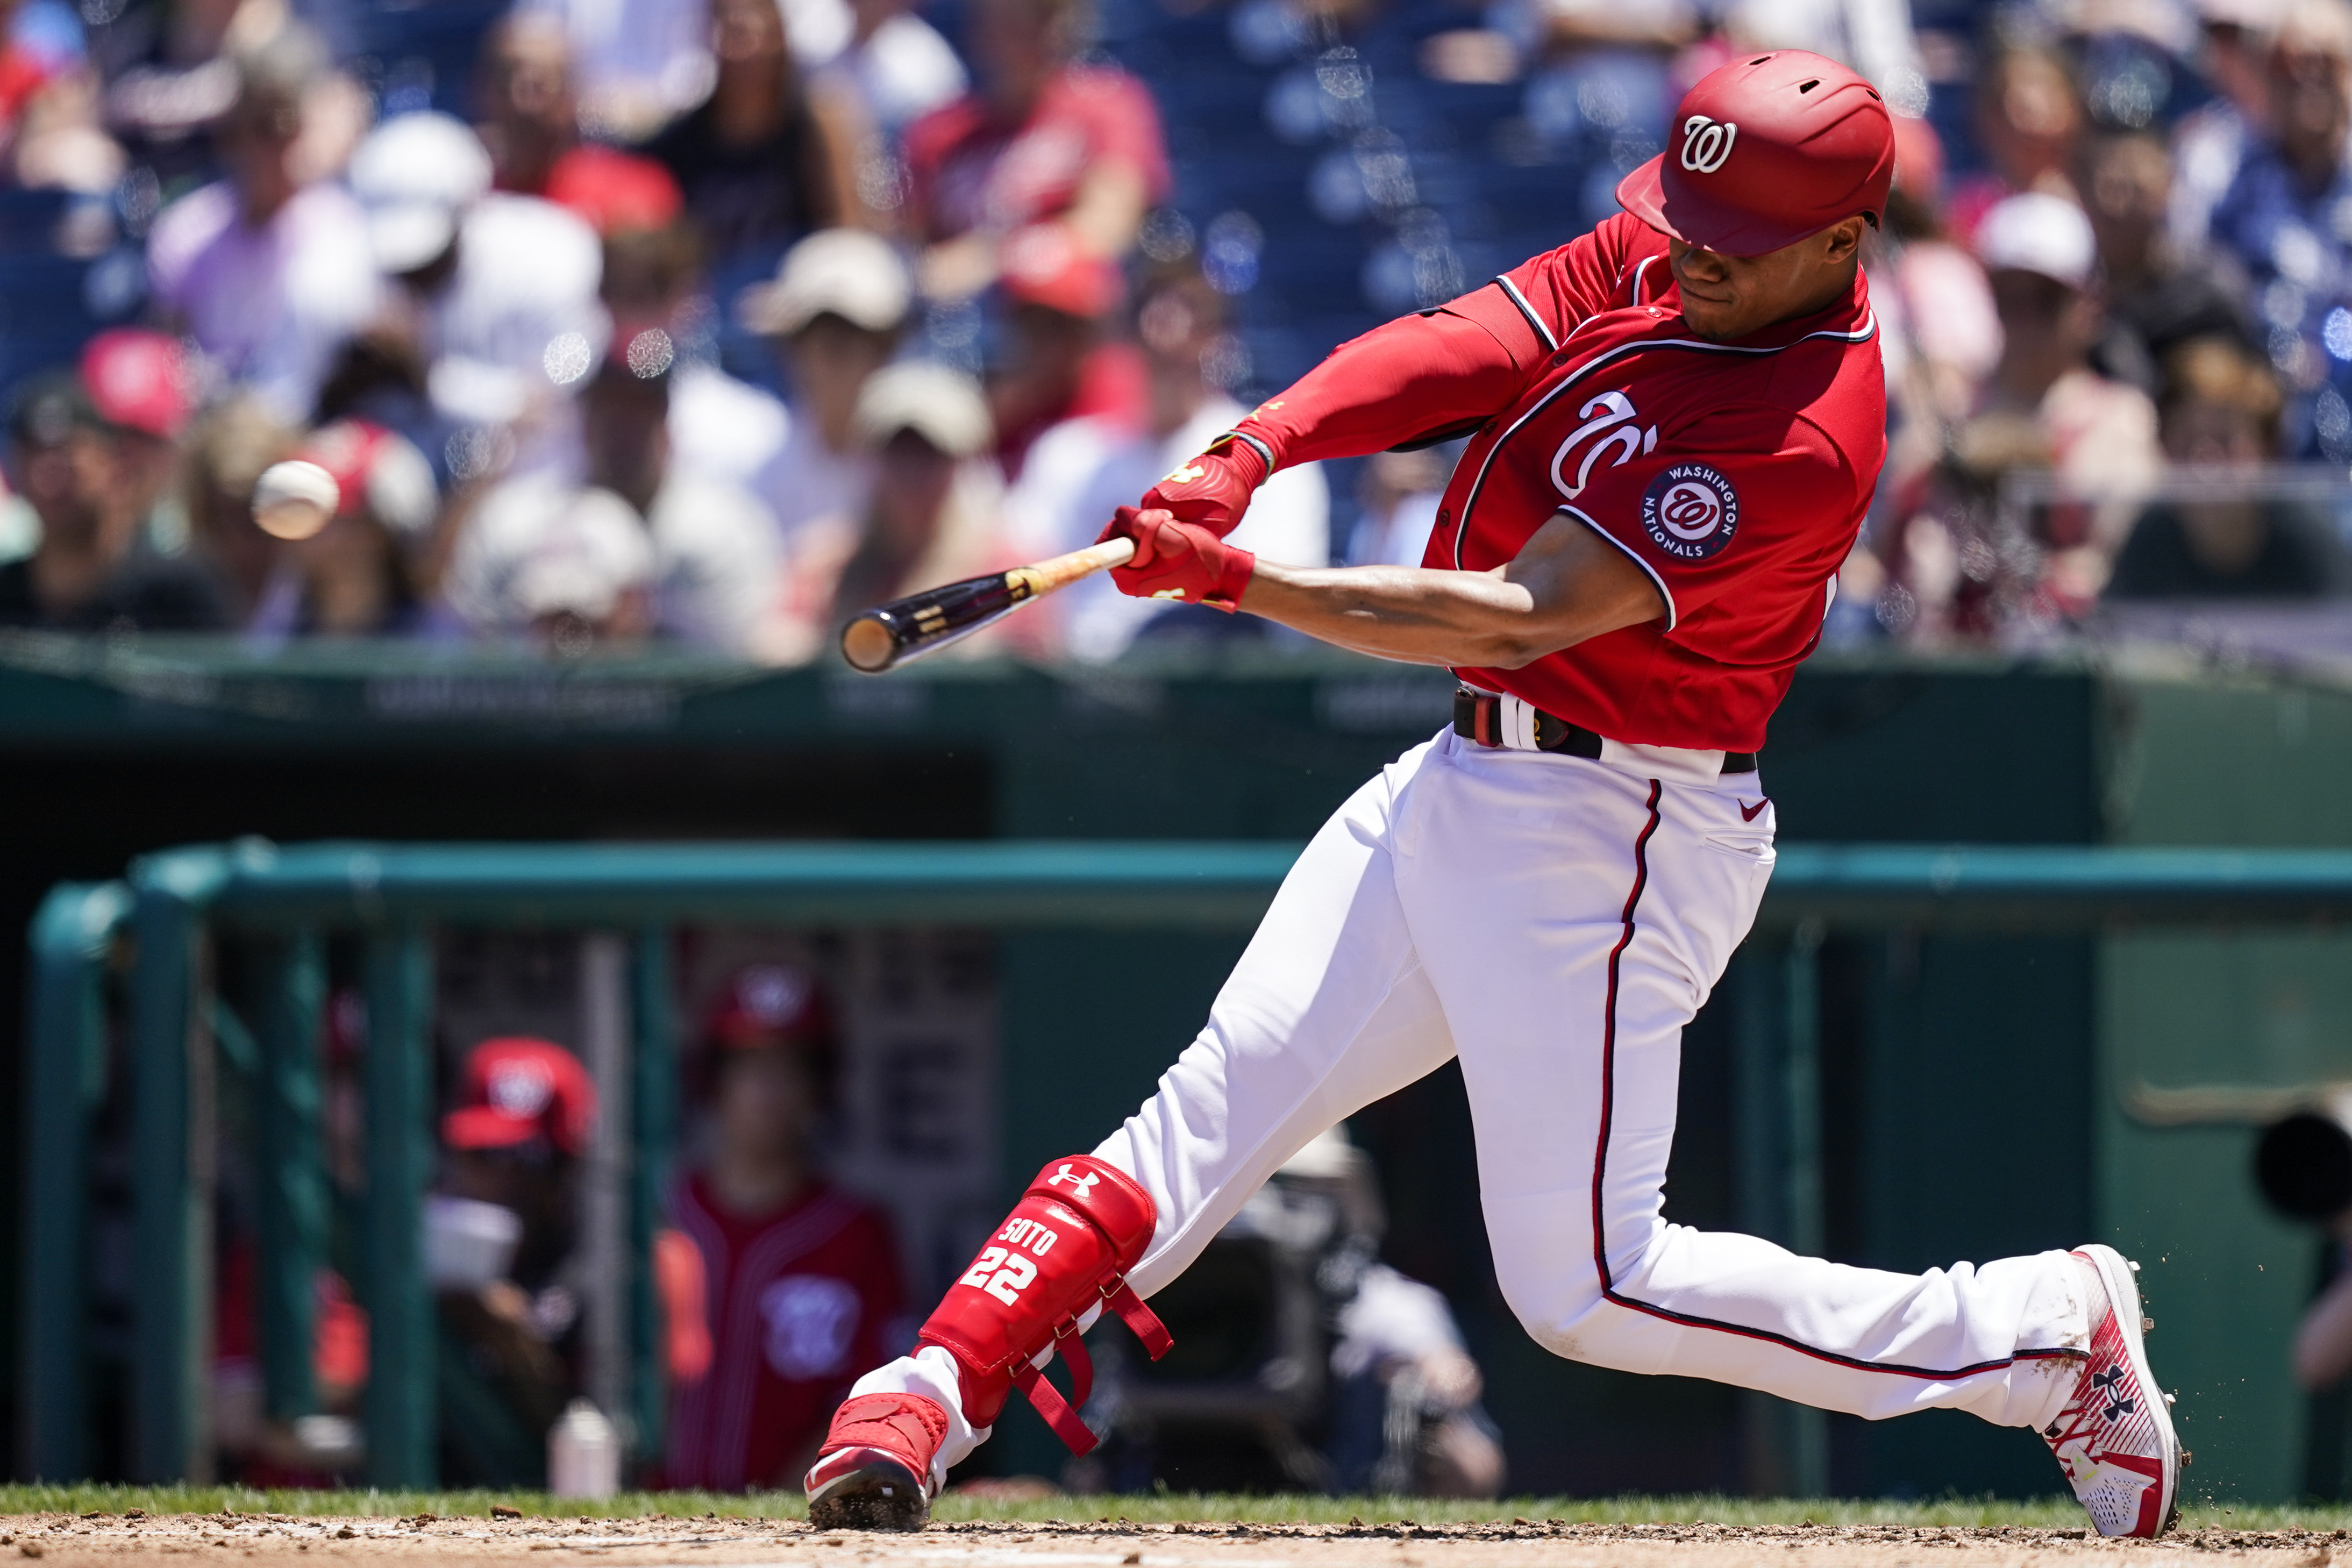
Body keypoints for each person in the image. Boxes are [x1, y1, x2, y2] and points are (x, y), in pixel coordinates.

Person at [802, 52, 2182, 1541]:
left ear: (1845, 241)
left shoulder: (1798, 432)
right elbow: (1469, 339)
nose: (1693, 248)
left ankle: (2034, 1332)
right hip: (1468, 777)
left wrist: (1241, 580)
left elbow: (1515, 613)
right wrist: (1246, 451)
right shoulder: (1686, 246)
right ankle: (930, 1386)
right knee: (1210, 1107)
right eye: (1691, 214)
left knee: (1584, 1284)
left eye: (1737, 234)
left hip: (1617, 829)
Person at [663, 964, 910, 1490]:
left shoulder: (856, 1235)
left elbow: (876, 1394)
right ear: (715, 1079)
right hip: (640, 1513)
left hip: (788, 1519)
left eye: (790, 1067)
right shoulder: (664, 1215)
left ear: (820, 1087)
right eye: (749, 1065)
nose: (767, 1090)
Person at [1018, 261, 1328, 659]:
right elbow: (1022, 572)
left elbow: (1278, 606)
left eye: (1190, 318)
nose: (1164, 335)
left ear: (1219, 337)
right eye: (1150, 317)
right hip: (1080, 687)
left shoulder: (1273, 457)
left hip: (1213, 683)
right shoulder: (1069, 454)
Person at [442, 328, 783, 653]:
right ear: (586, 423)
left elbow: (735, 666)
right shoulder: (511, 521)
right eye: (610, 412)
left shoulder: (723, 530)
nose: (622, 432)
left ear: (665, 427)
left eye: (638, 414)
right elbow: (477, 653)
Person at [143, 25, 379, 424]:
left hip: (311, 424)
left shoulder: (340, 228)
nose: (271, 146)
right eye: (256, 128)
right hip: (208, 431)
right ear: (229, 134)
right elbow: (166, 357)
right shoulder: (185, 230)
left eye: (284, 126)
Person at [345, 111, 605, 446]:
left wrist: (426, 375)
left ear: (468, 207)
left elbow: (552, 404)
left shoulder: (555, 256)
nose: (412, 274)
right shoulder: (357, 271)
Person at [901, 0, 1168, 303]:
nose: (1033, 30)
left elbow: (1109, 226)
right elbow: (918, 260)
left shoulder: (1109, 105)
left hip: (1072, 312)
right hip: (968, 322)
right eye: (1011, 17)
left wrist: (996, 257)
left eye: (1043, 14)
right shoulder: (937, 132)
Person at [433, 1036, 597, 1486]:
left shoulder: (599, 1265)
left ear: (567, 1165)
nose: (503, 1176)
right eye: (485, 1154)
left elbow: (600, 1436)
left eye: (526, 1157)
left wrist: (514, 1341)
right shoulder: (422, 1240)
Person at [776, 358, 1017, 659]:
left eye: (931, 455)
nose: (912, 473)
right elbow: (775, 652)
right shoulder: (825, 567)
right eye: (897, 452)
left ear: (962, 462)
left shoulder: (1008, 572)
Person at [2207, 0, 2352, 459]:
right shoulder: (2233, 187)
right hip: (2271, 423)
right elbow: (2220, 308)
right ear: (2264, 78)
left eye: (2324, 62)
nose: (2307, 75)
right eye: (2287, 63)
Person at [645, 0, 873, 273]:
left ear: (780, 38)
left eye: (758, 34)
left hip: (803, 293)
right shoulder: (679, 142)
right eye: (733, 34)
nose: (746, 50)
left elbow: (847, 234)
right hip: (704, 300)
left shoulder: (817, 125)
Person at [2107, 336, 2342, 597]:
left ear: (2268, 450)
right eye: (2187, 440)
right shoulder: (2148, 540)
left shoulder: (2308, 541)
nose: (2203, 463)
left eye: (2224, 440)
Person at [0, 370, 226, 629]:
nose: (47, 480)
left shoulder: (174, 593)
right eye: (33, 458)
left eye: (65, 461)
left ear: (113, 467)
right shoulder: (6, 597)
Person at [736, 226, 910, 541]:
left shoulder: (933, 458)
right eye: (818, 339)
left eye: (851, 340)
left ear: (887, 349)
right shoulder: (756, 469)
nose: (831, 363)